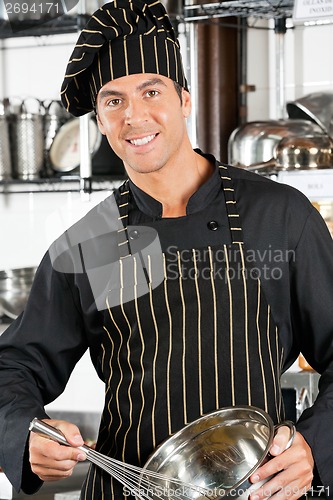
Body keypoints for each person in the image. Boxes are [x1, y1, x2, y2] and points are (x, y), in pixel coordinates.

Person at [0, 0, 332, 498]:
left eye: (150, 91)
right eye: (113, 101)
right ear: (100, 120)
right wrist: (25, 430)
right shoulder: (90, 243)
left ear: (184, 99)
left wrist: (314, 444)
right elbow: (15, 366)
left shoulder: (280, 216)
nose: (134, 115)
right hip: (127, 491)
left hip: (256, 490)